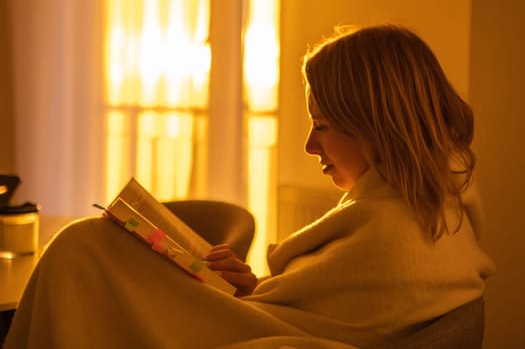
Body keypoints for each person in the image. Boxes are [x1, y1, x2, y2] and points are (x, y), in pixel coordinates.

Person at [5, 24, 495, 349]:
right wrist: (254, 290)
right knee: (89, 250)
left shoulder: (395, 235)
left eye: (321, 125)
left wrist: (251, 301)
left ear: (372, 124)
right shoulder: (429, 212)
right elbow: (328, 317)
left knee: (81, 251)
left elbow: (296, 330)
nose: (309, 145)